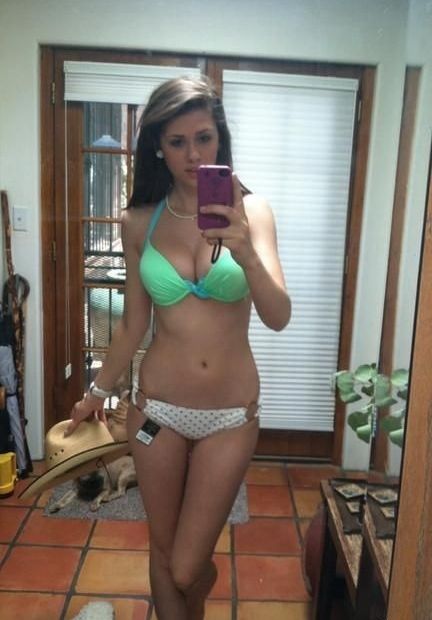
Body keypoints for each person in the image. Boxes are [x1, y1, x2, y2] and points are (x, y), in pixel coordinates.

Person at [65, 75, 291, 620]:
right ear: (157, 148)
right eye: (177, 141)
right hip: (156, 413)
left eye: (204, 137)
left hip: (230, 416)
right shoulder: (139, 222)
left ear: (220, 138)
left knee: (188, 567)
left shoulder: (253, 212)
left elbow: (278, 316)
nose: (193, 154)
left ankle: (198, 587)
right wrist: (95, 394)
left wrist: (246, 252)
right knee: (163, 554)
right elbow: (132, 326)